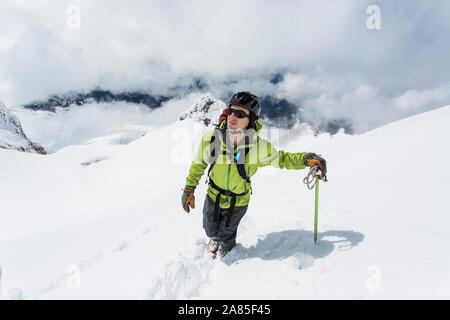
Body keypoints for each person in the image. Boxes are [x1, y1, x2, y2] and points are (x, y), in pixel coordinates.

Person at [181, 91, 327, 258]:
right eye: (230, 111)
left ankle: (226, 247)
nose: (232, 117)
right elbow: (199, 164)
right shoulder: (213, 139)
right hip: (213, 194)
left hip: (238, 200)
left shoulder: (258, 147)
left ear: (250, 121)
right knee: (209, 226)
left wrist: (305, 159)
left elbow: (281, 159)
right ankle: (214, 238)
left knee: (228, 230)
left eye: (240, 114)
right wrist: (188, 189)